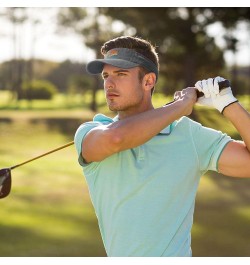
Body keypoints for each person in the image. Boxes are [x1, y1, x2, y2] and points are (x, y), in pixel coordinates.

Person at [74, 36, 250, 257]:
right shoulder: (91, 131)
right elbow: (116, 139)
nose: (109, 83)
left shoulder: (189, 135)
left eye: (120, 74)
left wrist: (228, 105)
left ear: (148, 81)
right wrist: (181, 106)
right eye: (106, 75)